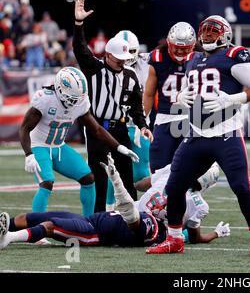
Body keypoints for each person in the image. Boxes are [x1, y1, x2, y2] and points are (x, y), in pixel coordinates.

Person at [146, 15, 250, 257]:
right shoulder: (195, 59)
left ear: (225, 35)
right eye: (205, 32)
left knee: (242, 187)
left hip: (226, 133)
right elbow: (191, 89)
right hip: (196, 134)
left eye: (213, 32)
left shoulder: (234, 55)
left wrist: (233, 98)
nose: (208, 36)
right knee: (174, 187)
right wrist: (181, 96)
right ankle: (174, 239)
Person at [18, 67, 139, 217]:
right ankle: (35, 229)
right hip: (39, 147)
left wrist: (119, 147)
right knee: (47, 183)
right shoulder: (45, 99)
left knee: (88, 178)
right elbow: (24, 128)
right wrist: (29, 154)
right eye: (72, 98)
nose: (75, 102)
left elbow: (97, 129)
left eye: (78, 98)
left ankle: (90, 222)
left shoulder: (80, 102)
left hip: (59, 147)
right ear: (60, 88)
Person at [73, 0, 152, 212]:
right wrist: (79, 24)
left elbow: (136, 106)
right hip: (98, 127)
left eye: (124, 59)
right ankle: (98, 218)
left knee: (125, 172)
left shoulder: (130, 74)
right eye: (118, 58)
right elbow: (80, 50)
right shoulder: (95, 68)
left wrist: (143, 126)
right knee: (99, 173)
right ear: (107, 55)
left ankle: (132, 218)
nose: (122, 62)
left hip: (121, 127)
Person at [0, 154, 165, 249]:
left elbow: (130, 215)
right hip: (89, 220)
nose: (157, 201)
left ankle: (9, 238)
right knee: (30, 218)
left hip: (93, 233)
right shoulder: (150, 215)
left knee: (50, 226)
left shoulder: (154, 227)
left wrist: (117, 182)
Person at [142, 22, 220, 193]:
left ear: (193, 46)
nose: (179, 52)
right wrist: (142, 121)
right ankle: (159, 210)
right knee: (159, 173)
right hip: (164, 119)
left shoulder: (203, 57)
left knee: (197, 171)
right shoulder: (158, 58)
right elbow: (148, 93)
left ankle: (190, 207)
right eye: (176, 48)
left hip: (192, 120)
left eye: (184, 49)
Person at [104, 30, 151, 211]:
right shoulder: (106, 67)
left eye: (131, 51)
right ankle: (108, 211)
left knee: (141, 174)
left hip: (140, 124)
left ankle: (145, 210)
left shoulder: (148, 62)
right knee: (112, 170)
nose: (127, 56)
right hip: (116, 124)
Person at [134, 164, 230, 244]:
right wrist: (217, 233)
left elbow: (139, 186)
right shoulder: (200, 206)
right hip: (149, 233)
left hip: (132, 215)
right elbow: (195, 239)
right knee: (183, 234)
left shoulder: (173, 169)